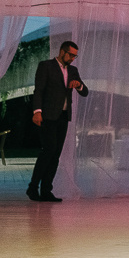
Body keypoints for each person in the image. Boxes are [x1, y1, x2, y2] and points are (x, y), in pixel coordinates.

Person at [28, 41, 89, 202]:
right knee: (48, 150)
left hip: (63, 116)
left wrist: (79, 86)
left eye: (75, 56)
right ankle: (33, 187)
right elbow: (38, 90)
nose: (73, 59)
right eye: (71, 55)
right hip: (47, 115)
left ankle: (46, 190)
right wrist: (37, 111)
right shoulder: (46, 66)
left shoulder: (73, 70)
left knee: (55, 154)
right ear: (62, 51)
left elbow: (85, 92)